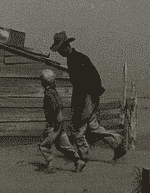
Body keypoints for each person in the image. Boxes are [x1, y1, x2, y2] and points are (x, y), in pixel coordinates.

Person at [50, 31, 127, 173]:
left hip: (85, 97)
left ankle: (82, 158)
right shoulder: (77, 58)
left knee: (78, 129)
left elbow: (83, 85)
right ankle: (117, 143)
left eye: (60, 49)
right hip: (89, 96)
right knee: (93, 126)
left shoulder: (76, 60)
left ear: (66, 46)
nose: (59, 53)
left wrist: (81, 106)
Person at [37, 69, 81, 173]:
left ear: (44, 81)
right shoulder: (54, 92)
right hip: (59, 124)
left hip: (53, 125)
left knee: (44, 145)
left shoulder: (48, 94)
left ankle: (50, 166)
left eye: (42, 80)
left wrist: (57, 123)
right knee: (63, 146)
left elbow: (56, 108)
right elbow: (59, 106)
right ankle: (78, 161)